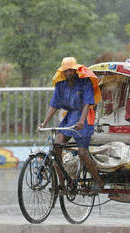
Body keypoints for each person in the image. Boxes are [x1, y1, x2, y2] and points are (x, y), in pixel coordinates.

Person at [39, 57, 104, 193]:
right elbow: (54, 106)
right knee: (57, 146)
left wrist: (81, 121)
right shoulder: (60, 86)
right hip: (70, 118)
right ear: (63, 72)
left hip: (84, 119)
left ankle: (98, 181)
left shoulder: (84, 83)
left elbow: (87, 104)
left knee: (82, 152)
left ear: (75, 70)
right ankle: (62, 183)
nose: (68, 73)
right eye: (66, 70)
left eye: (71, 70)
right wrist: (44, 122)